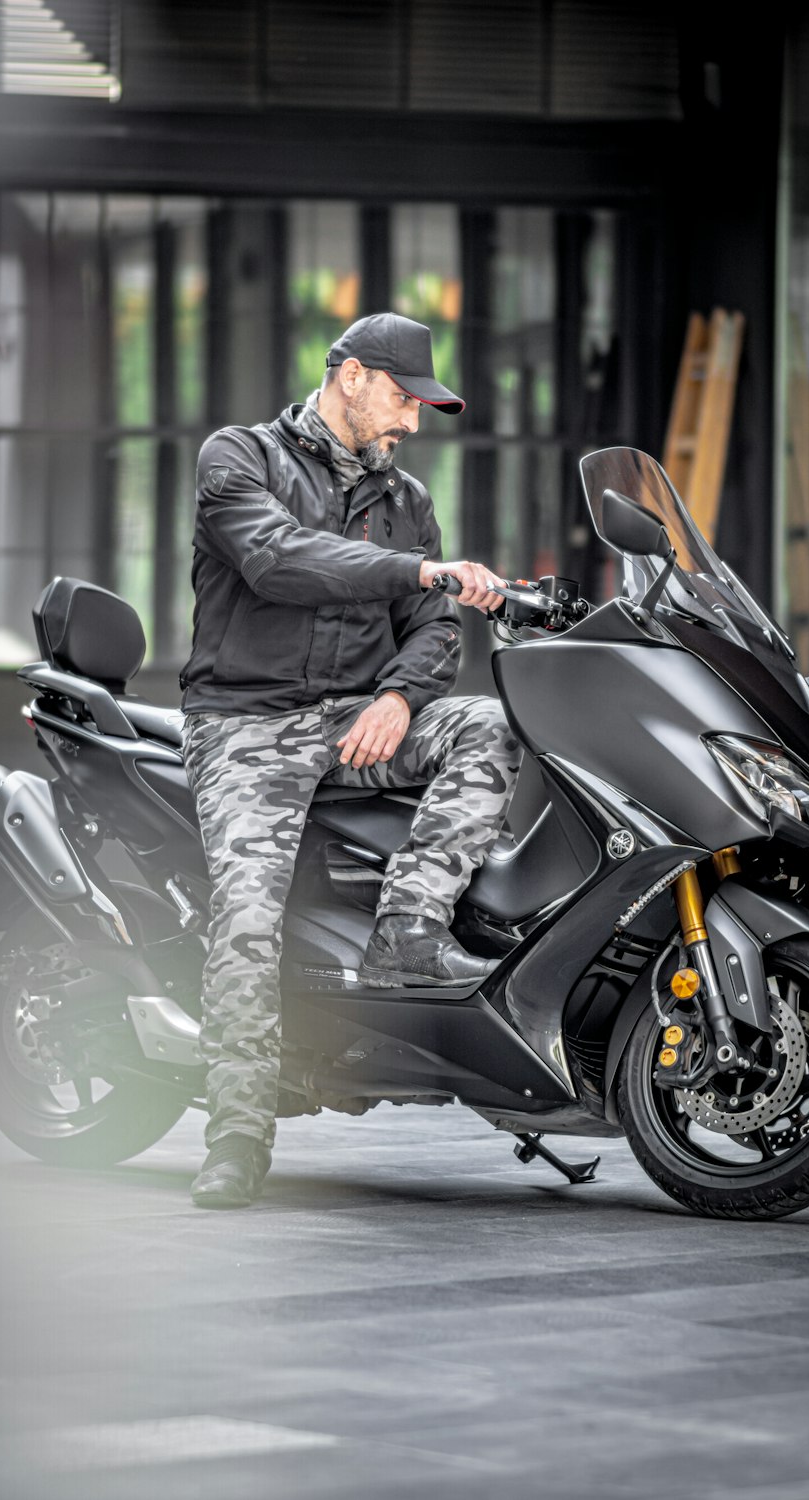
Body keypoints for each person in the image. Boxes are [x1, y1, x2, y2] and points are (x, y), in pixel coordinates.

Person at [180, 311, 524, 1208]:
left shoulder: (404, 502)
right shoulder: (238, 458)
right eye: (405, 400)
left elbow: (435, 634)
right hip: (245, 725)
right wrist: (423, 573)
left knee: (488, 723)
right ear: (353, 375)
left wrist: (400, 698)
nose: (412, 423)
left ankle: (406, 935)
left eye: (421, 407)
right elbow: (279, 561)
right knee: (247, 921)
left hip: (354, 722)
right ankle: (236, 1134)